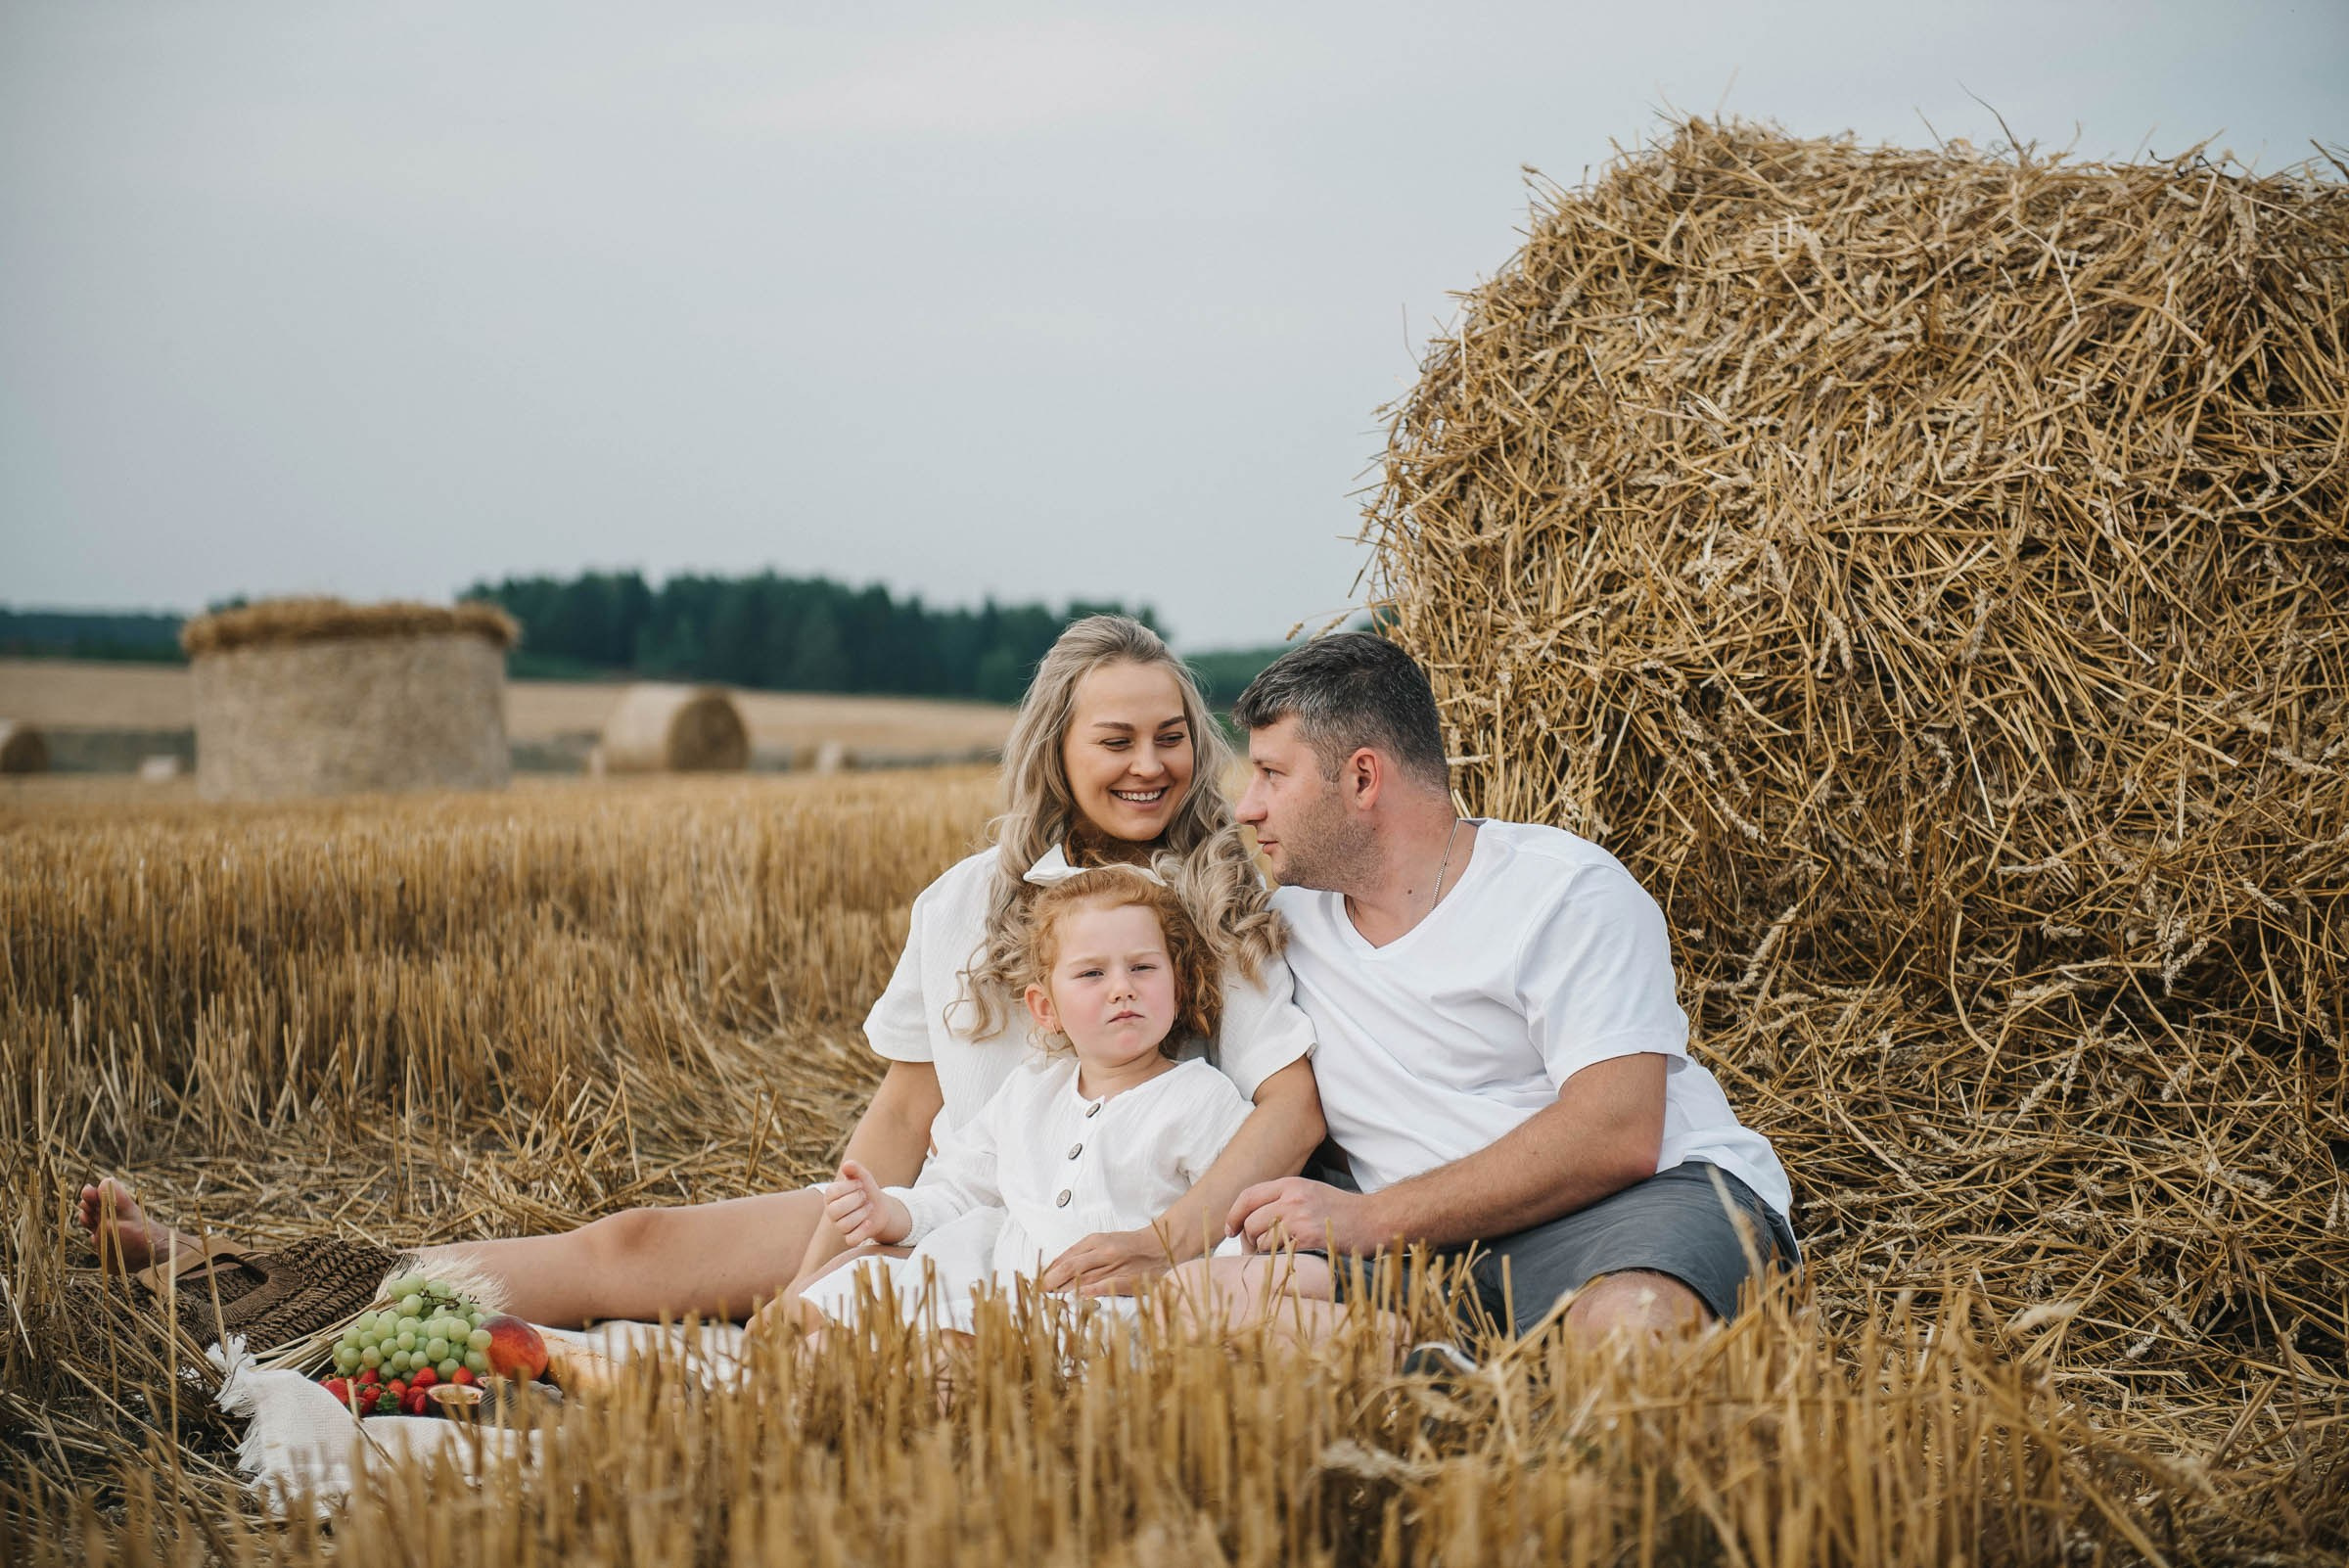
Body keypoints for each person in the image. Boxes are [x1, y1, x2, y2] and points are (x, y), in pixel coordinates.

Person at [78, 616, 1323, 1328]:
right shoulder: (961, 903)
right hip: (940, 1212)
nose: (1151, 764)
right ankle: (250, 1280)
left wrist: (1171, 1237)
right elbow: (904, 1109)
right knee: (630, 1246)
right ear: (1058, 746)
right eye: (1117, 739)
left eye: (1173, 736)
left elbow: (1287, 1103)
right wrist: (826, 1248)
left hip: (1096, 1235)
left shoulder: (1221, 898)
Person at [1175, 632, 1796, 1351]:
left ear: (1362, 779)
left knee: (1630, 1333)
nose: (1247, 807)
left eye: (1272, 775)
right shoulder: (1282, 926)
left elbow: (1617, 1134)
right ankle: (1442, 1385)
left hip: (1630, 1208)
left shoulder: (1563, 892)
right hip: (1429, 1246)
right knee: (1196, 1303)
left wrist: (1368, 1220)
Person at [793, 864, 1257, 1337]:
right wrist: (891, 1213)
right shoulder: (1029, 1091)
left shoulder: (1201, 1098)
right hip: (992, 1283)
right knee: (813, 1307)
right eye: (1092, 973)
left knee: (943, 1350)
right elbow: (963, 1190)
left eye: (1142, 968)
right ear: (1045, 1009)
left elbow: (1235, 1223)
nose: (1122, 988)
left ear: (1176, 987)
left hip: (1096, 1316)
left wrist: (1188, 1302)